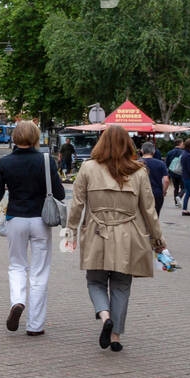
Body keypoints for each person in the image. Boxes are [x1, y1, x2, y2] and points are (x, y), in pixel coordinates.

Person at [65, 124, 165, 353]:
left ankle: (104, 315)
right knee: (121, 285)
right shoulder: (139, 172)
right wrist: (158, 242)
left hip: (96, 232)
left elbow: (77, 204)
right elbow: (149, 210)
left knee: (95, 281)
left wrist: (70, 232)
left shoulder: (88, 168)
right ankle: (116, 335)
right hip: (128, 235)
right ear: (128, 145)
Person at [0, 120, 65, 336]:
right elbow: (59, 193)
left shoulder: (5, 163)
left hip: (15, 219)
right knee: (39, 272)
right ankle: (35, 325)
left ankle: (17, 301)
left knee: (17, 265)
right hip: (41, 219)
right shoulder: (46, 160)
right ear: (35, 137)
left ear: (14, 137)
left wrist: (8, 186)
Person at [139, 141, 169, 217]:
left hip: (141, 193)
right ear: (154, 151)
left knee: (141, 216)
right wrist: (163, 191)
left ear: (141, 151)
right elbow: (166, 180)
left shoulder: (136, 163)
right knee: (155, 215)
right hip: (157, 193)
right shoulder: (160, 163)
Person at [164, 140, 186, 207]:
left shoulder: (170, 152)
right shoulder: (183, 152)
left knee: (175, 187)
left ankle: (176, 202)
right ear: (179, 144)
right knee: (184, 187)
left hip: (172, 172)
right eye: (182, 143)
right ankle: (179, 196)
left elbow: (167, 163)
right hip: (181, 172)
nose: (183, 144)